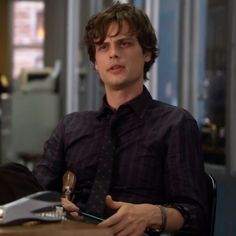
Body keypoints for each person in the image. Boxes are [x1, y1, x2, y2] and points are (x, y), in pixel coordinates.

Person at [33, 2, 208, 235]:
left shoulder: (175, 124)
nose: (113, 53)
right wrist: (54, 206)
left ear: (146, 53)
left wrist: (153, 214)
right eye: (103, 47)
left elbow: (195, 215)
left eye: (124, 43)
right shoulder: (71, 126)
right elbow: (32, 196)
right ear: (95, 62)